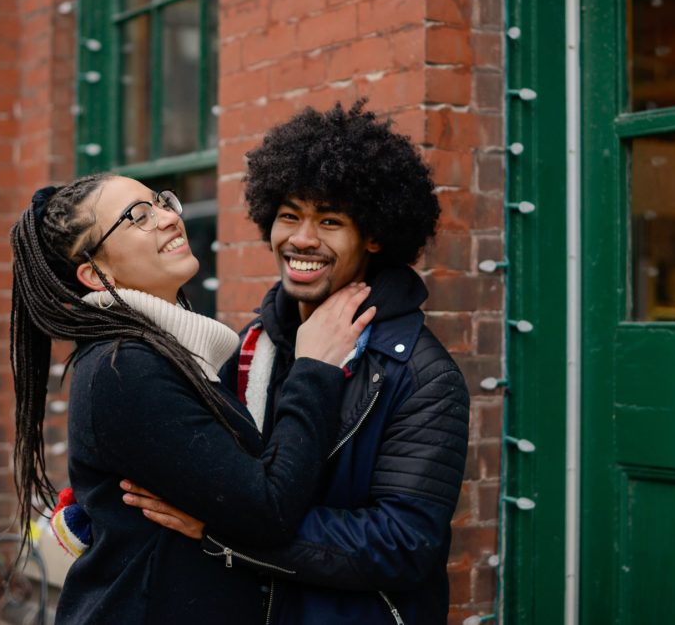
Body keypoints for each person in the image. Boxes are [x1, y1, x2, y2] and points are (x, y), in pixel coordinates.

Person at [120, 101, 471, 625]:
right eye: (290, 215)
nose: (302, 239)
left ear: (373, 236)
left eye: (329, 220)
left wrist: (222, 527)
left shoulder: (419, 375)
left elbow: (403, 543)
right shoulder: (253, 345)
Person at [8, 173, 377, 624]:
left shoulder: (176, 354)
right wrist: (315, 367)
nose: (167, 218)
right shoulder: (123, 369)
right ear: (94, 275)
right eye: (137, 217)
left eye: (160, 202)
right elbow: (269, 509)